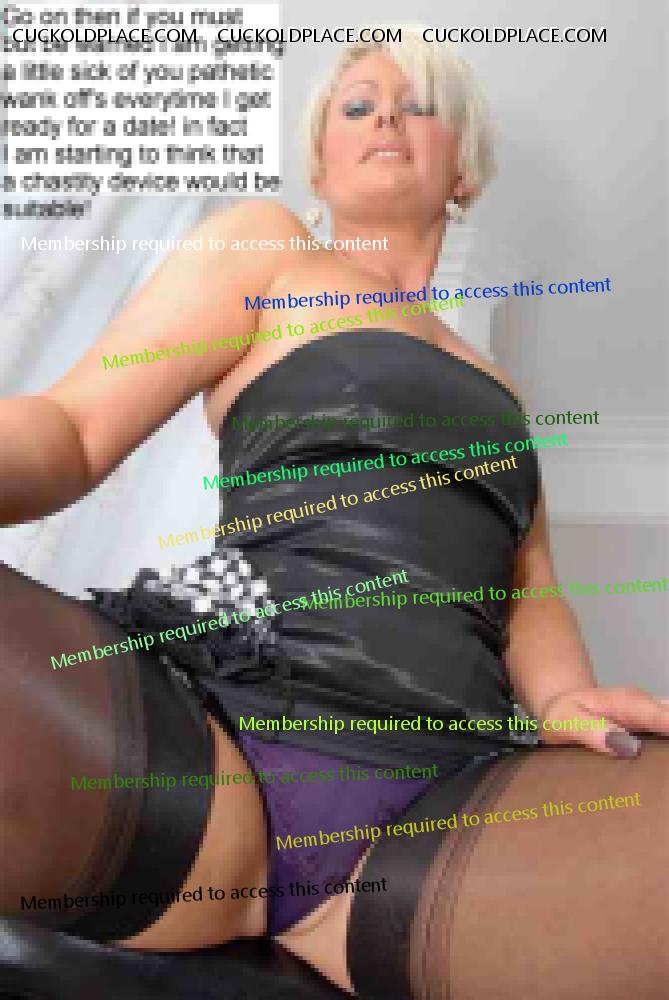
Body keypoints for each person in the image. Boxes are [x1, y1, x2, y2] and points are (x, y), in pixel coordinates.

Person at [1, 29, 667, 1000]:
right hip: (203, 746)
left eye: (418, 103)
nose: (387, 116)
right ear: (320, 162)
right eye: (358, 106)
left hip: (437, 803)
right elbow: (70, 428)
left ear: (464, 169)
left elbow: (529, 586)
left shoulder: (498, 389)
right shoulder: (267, 248)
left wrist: (566, 698)